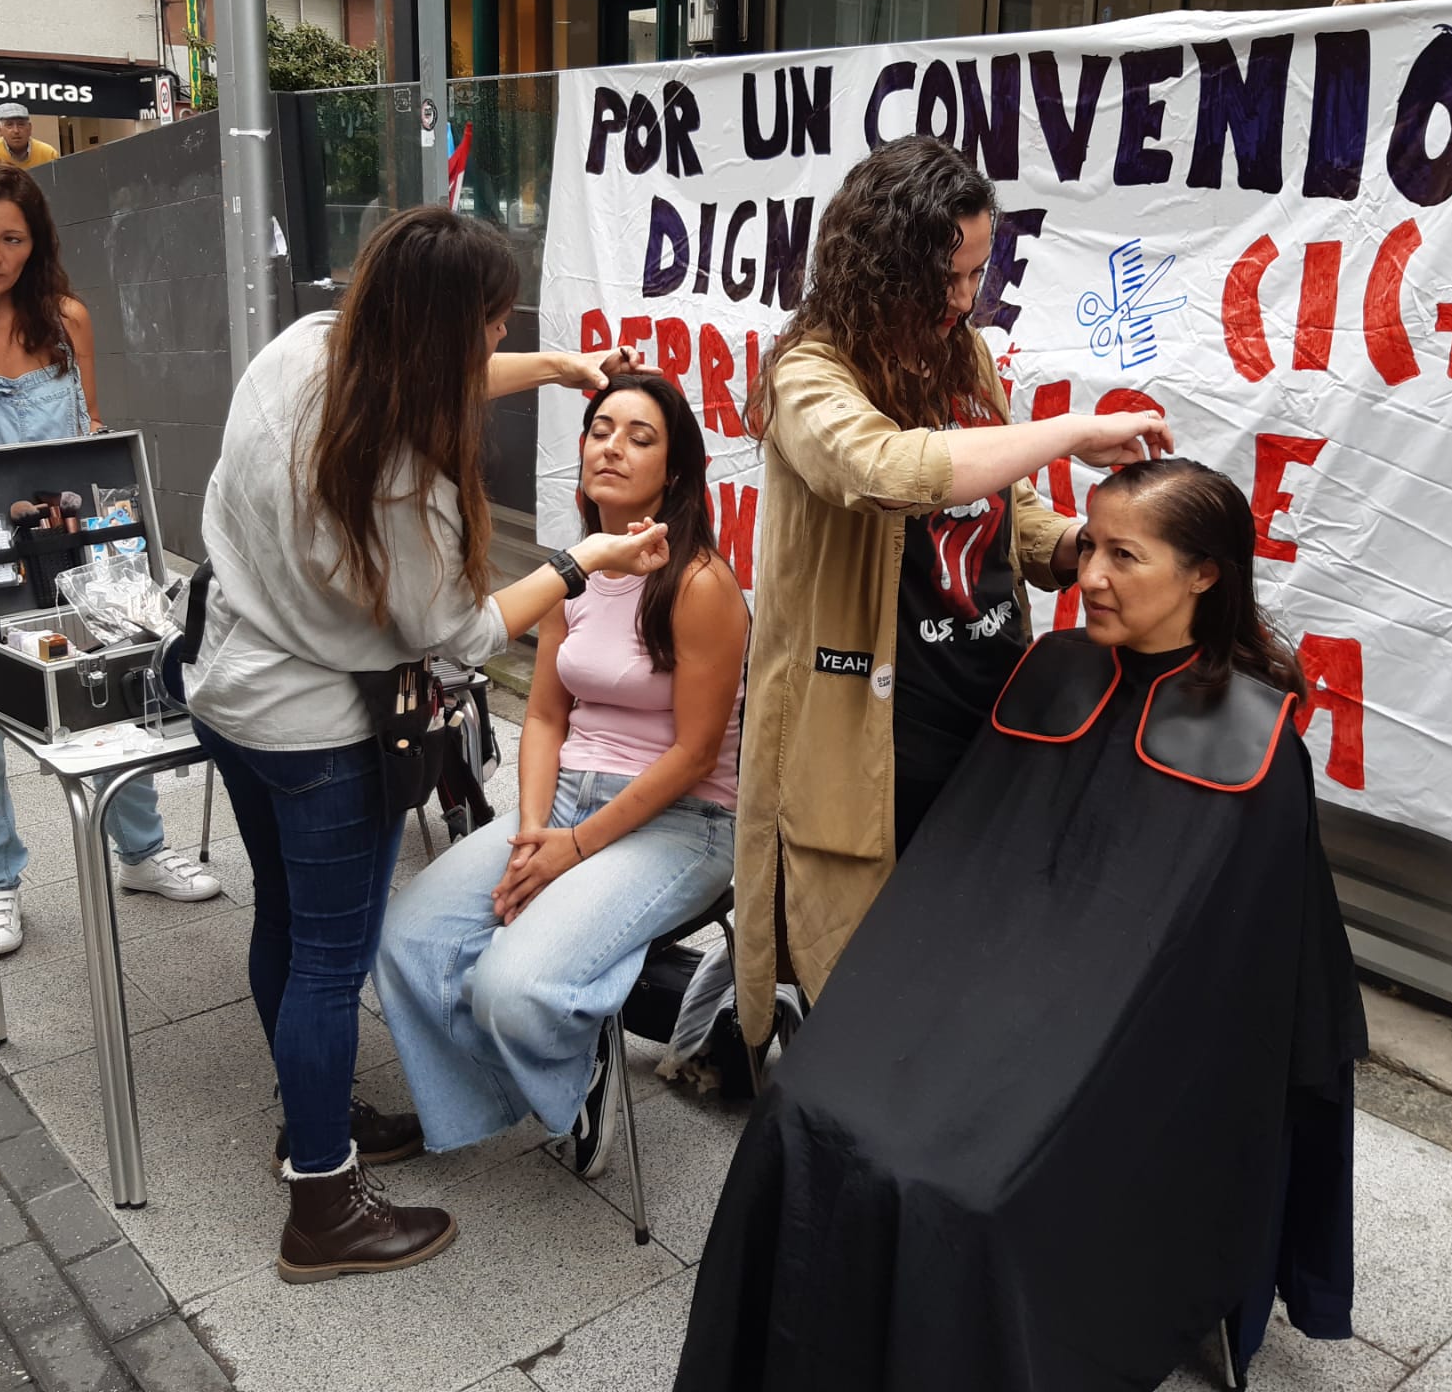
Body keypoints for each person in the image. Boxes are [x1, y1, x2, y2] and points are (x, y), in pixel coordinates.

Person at [676, 459, 1369, 1392]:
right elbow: (966, 872)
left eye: (1127, 556)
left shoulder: (1255, 743)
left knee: (961, 1192)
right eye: (1092, 546)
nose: (1090, 575)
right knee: (804, 1109)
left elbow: (1234, 981)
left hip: (1110, 1051)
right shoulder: (1051, 674)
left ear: (1206, 573)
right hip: (966, 997)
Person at [184, 206, 668, 1285]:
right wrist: (584, 562)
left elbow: (415, 376)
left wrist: (549, 367)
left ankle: (312, 1124)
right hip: (318, 736)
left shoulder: (300, 349)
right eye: (489, 333)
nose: (492, 352)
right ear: (444, 335)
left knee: (283, 916)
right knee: (327, 963)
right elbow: (456, 635)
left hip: (226, 696)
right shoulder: (401, 480)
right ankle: (323, 1202)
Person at [731, 134, 1170, 1052]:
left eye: (978, 271)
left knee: (970, 969)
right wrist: (1068, 432)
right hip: (878, 727)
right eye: (949, 275)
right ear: (885, 263)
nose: (968, 297)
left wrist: (1087, 549)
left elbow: (998, 509)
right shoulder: (809, 373)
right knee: (867, 990)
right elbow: (893, 471)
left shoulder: (962, 353)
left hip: (991, 707)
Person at [375, 372, 747, 1181]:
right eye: (601, 429)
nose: (611, 446)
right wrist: (531, 833)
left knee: (513, 987)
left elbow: (692, 755)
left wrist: (569, 850)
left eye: (640, 437)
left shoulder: (700, 584)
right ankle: (537, 1075)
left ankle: (571, 1067)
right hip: (568, 805)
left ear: (675, 471)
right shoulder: (573, 572)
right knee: (408, 940)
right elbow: (544, 716)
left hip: (684, 822)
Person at [0, 159, 220, 958]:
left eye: (11, 238)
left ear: (36, 243)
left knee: (111, 698)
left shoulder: (66, 320)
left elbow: (86, 429)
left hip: (70, 552)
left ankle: (141, 851)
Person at [0, 103, 59, 170]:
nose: (16, 130)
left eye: (21, 124)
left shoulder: (48, 153)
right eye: (9, 125)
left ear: (29, 128)